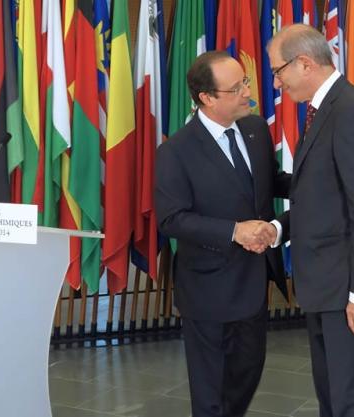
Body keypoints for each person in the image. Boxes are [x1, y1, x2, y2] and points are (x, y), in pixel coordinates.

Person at [263, 24, 354, 417]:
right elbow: (321, 196)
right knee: (333, 400)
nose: (276, 82)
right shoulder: (324, 109)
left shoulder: (349, 111)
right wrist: (278, 229)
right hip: (325, 286)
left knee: (351, 403)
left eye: (278, 70)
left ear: (304, 63)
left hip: (348, 292)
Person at [154, 51, 289, 417]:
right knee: (210, 390)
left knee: (247, 372)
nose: (249, 91)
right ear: (207, 98)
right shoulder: (176, 152)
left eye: (245, 81)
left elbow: (270, 181)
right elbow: (172, 220)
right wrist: (233, 231)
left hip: (254, 281)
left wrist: (319, 182)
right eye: (237, 87)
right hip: (207, 288)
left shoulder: (256, 129)